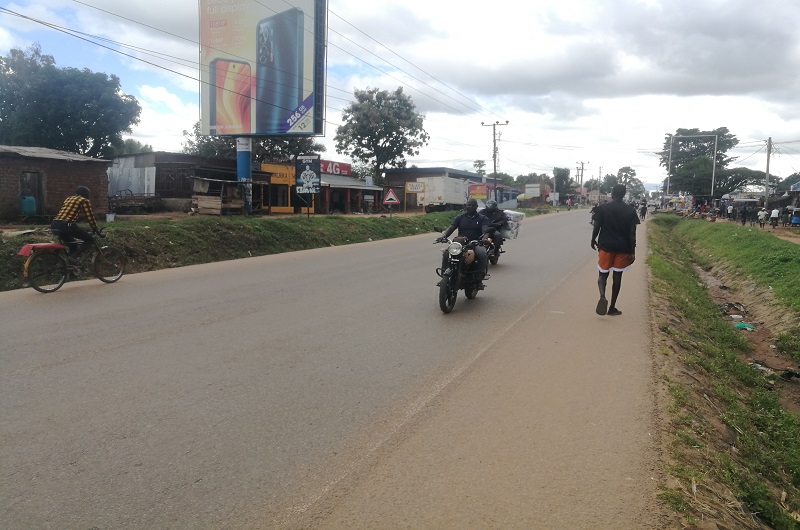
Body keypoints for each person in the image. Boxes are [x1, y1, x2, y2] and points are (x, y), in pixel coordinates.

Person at [590, 184, 640, 316]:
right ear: (624, 194)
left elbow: (597, 227)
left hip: (605, 246)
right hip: (623, 249)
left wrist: (593, 239)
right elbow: (632, 233)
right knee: (617, 277)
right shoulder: (630, 211)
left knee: (602, 274)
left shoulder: (602, 208)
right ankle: (612, 307)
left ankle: (602, 296)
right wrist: (632, 251)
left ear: (612, 193)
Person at [437, 198, 489, 287]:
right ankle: (444, 277)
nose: (471, 207)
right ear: (466, 206)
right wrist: (443, 236)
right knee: (446, 254)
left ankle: (478, 279)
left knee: (482, 253)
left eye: (473, 205)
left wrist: (484, 239)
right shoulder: (460, 218)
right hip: (460, 243)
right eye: (469, 205)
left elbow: (485, 231)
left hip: (475, 243)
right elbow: (450, 229)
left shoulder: (482, 218)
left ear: (476, 207)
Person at [50, 186, 104, 266]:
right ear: (85, 194)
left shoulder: (68, 199)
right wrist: (96, 229)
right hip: (67, 225)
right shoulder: (84, 200)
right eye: (88, 194)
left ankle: (71, 270)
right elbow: (90, 217)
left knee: (73, 245)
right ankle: (73, 258)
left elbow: (68, 214)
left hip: (55, 224)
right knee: (89, 240)